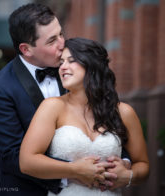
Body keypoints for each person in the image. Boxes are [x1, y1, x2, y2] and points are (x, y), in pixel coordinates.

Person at [0, 3, 130, 196]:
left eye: (61, 33)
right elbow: (13, 157)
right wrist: (74, 173)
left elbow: (105, 122)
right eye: (52, 40)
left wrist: (122, 162)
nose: (62, 43)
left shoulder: (76, 73)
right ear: (26, 49)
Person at [19, 37, 150, 196]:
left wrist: (128, 176)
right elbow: (26, 162)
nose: (63, 67)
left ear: (92, 65)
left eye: (71, 61)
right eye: (61, 63)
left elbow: (143, 165)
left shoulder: (124, 112)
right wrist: (74, 170)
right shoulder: (52, 107)